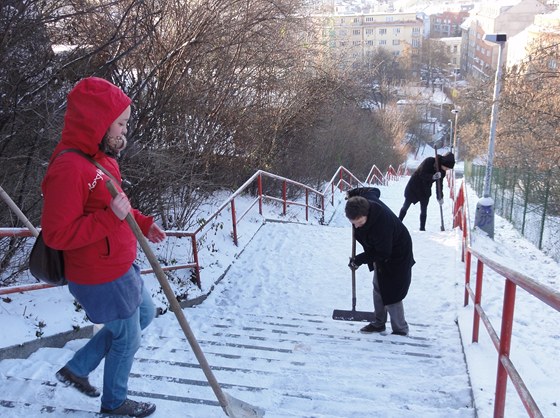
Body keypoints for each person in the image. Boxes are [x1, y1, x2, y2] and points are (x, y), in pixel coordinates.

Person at [41, 77, 166, 417]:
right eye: (121, 123)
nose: (125, 131)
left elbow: (113, 206)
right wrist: (114, 219)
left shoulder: (100, 158)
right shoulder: (70, 168)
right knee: (128, 339)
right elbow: (56, 234)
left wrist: (140, 222)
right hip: (99, 275)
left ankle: (78, 367)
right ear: (99, 123)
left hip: (120, 265)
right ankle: (114, 404)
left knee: (145, 314)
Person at [345, 196, 415, 336]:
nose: (356, 226)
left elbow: (383, 252)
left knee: (392, 293)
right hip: (382, 253)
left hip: (397, 257)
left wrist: (359, 259)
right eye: (353, 223)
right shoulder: (364, 210)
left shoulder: (382, 224)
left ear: (367, 214)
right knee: (378, 288)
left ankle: (400, 329)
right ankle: (378, 323)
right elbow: (370, 191)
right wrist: (353, 194)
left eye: (359, 222)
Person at [398, 152, 455, 231]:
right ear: (443, 162)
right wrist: (433, 176)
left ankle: (422, 228)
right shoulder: (429, 161)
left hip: (425, 190)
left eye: (448, 169)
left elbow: (439, 185)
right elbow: (421, 174)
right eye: (447, 167)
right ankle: (398, 222)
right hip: (414, 186)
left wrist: (440, 197)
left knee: (424, 209)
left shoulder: (442, 172)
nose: (446, 169)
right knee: (406, 205)